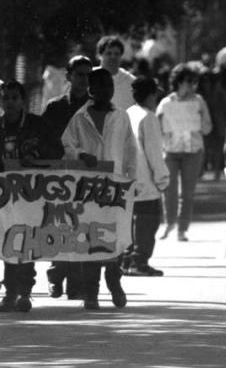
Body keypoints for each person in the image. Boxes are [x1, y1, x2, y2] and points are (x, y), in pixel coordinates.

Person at [61, 67, 138, 310]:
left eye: (109, 86)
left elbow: (131, 152)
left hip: (114, 188)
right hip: (87, 189)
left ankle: (114, 283)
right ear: (91, 90)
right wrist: (81, 155)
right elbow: (67, 144)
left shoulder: (122, 116)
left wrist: (132, 182)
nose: (106, 90)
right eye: (100, 86)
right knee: (90, 239)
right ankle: (91, 293)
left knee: (113, 239)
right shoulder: (79, 117)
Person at [41, 55, 94, 300]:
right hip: (59, 177)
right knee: (58, 225)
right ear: (69, 77)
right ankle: (56, 274)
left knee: (81, 227)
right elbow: (44, 140)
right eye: (79, 74)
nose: (84, 79)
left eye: (88, 74)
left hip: (87, 178)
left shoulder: (95, 106)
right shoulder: (55, 106)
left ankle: (76, 283)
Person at [0, 81, 45, 313]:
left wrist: (33, 156)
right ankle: (10, 294)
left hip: (30, 195)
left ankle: (25, 292)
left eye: (14, 97)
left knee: (27, 241)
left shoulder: (35, 124)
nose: (10, 102)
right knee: (8, 242)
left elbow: (53, 149)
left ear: (22, 101)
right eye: (5, 97)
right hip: (4, 198)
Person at [157, 63, 213, 242]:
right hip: (171, 151)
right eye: (189, 82)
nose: (192, 86)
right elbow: (157, 127)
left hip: (193, 151)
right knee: (169, 190)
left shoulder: (199, 101)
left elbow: (207, 128)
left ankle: (182, 228)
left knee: (187, 193)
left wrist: (198, 121)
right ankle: (169, 223)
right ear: (179, 82)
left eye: (194, 82)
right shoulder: (166, 103)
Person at [124, 76, 170, 276]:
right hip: (147, 179)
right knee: (148, 222)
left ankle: (126, 260)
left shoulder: (128, 113)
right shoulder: (148, 118)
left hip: (128, 178)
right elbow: (154, 152)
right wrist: (162, 178)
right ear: (151, 95)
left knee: (130, 222)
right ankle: (139, 261)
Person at [97, 35, 136, 110]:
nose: (113, 57)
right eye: (109, 53)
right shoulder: (89, 76)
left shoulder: (132, 82)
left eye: (116, 54)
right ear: (99, 55)